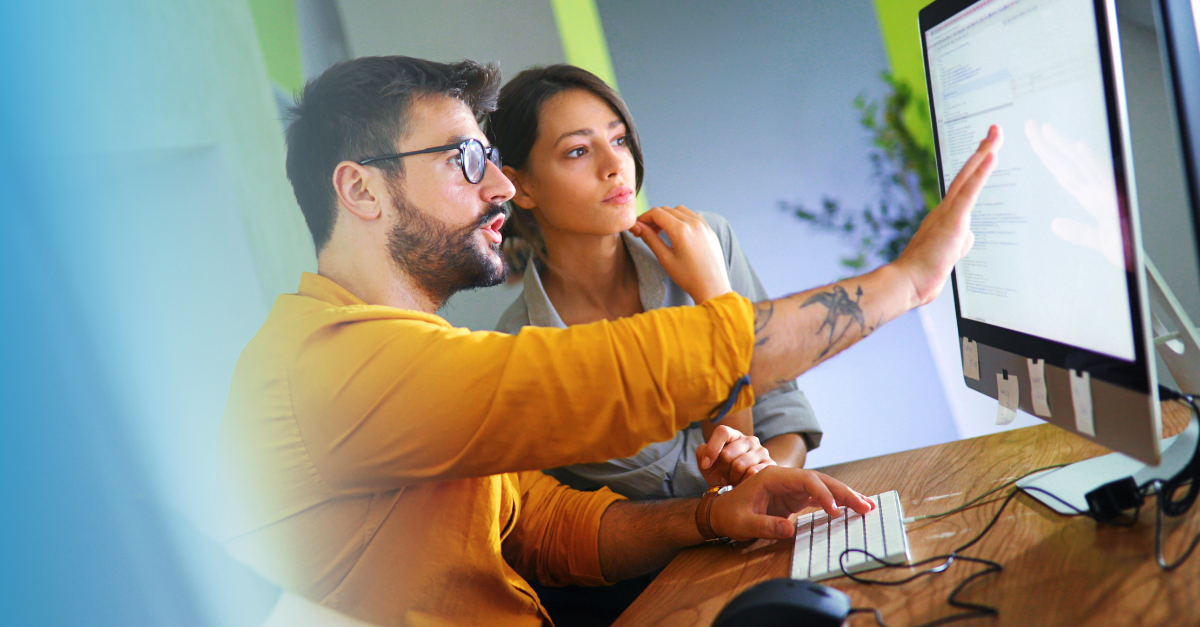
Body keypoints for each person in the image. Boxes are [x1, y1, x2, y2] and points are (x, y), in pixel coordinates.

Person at [217, 55, 1002, 627]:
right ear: (359, 189)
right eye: (465, 160)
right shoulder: (330, 367)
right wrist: (907, 280)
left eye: (490, 160)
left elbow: (548, 524)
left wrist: (712, 518)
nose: (497, 187)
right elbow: (615, 377)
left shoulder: (410, 350)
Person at [490, 64, 816, 503]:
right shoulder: (525, 354)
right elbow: (704, 480)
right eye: (578, 151)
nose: (614, 165)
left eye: (619, 139)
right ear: (519, 186)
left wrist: (766, 480)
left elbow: (783, 415)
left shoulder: (708, 241)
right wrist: (715, 301)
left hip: (771, 524)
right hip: (672, 567)